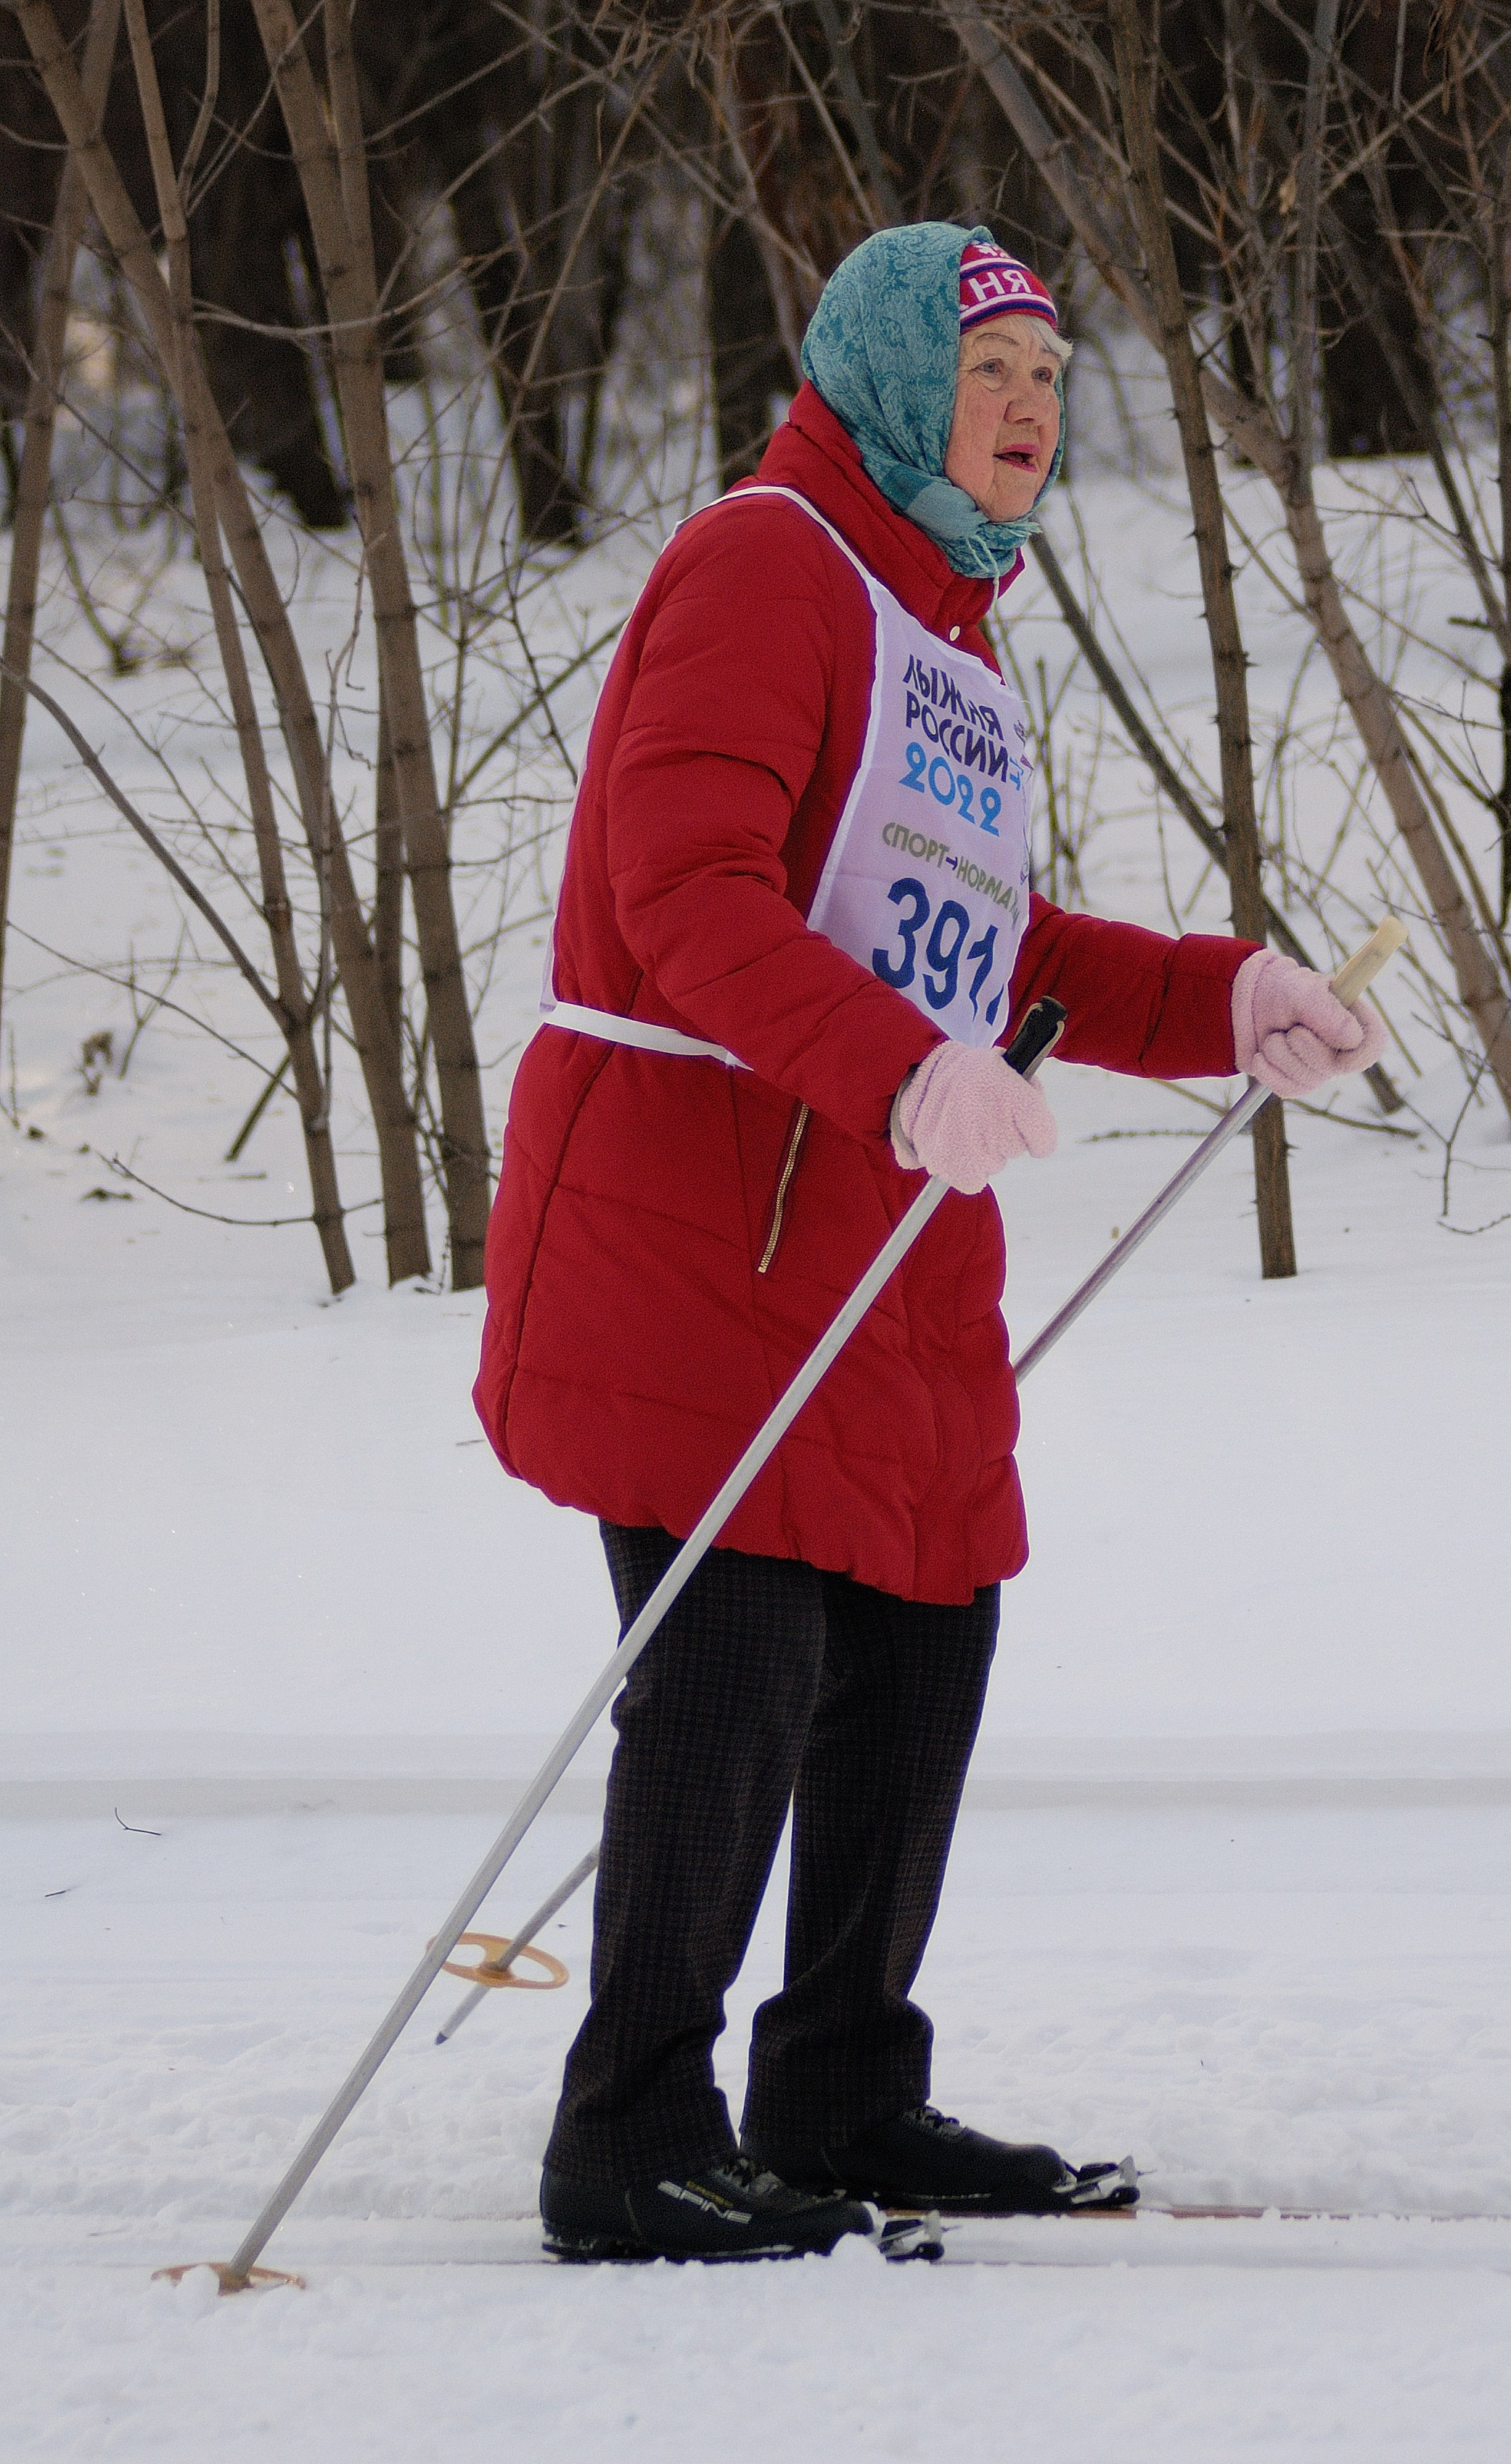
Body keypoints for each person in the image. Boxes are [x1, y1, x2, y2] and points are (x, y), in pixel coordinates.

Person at [475, 222, 1387, 2263]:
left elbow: (991, 943)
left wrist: (1222, 995)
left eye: (1055, 382)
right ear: (890, 377)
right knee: (739, 1650)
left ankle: (842, 2093)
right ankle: (628, 2137)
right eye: (992, 375)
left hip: (875, 1229)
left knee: (924, 1630)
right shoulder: (765, 564)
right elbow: (684, 887)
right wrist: (896, 1069)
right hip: (703, 1203)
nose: (1030, 414)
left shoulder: (941, 624)